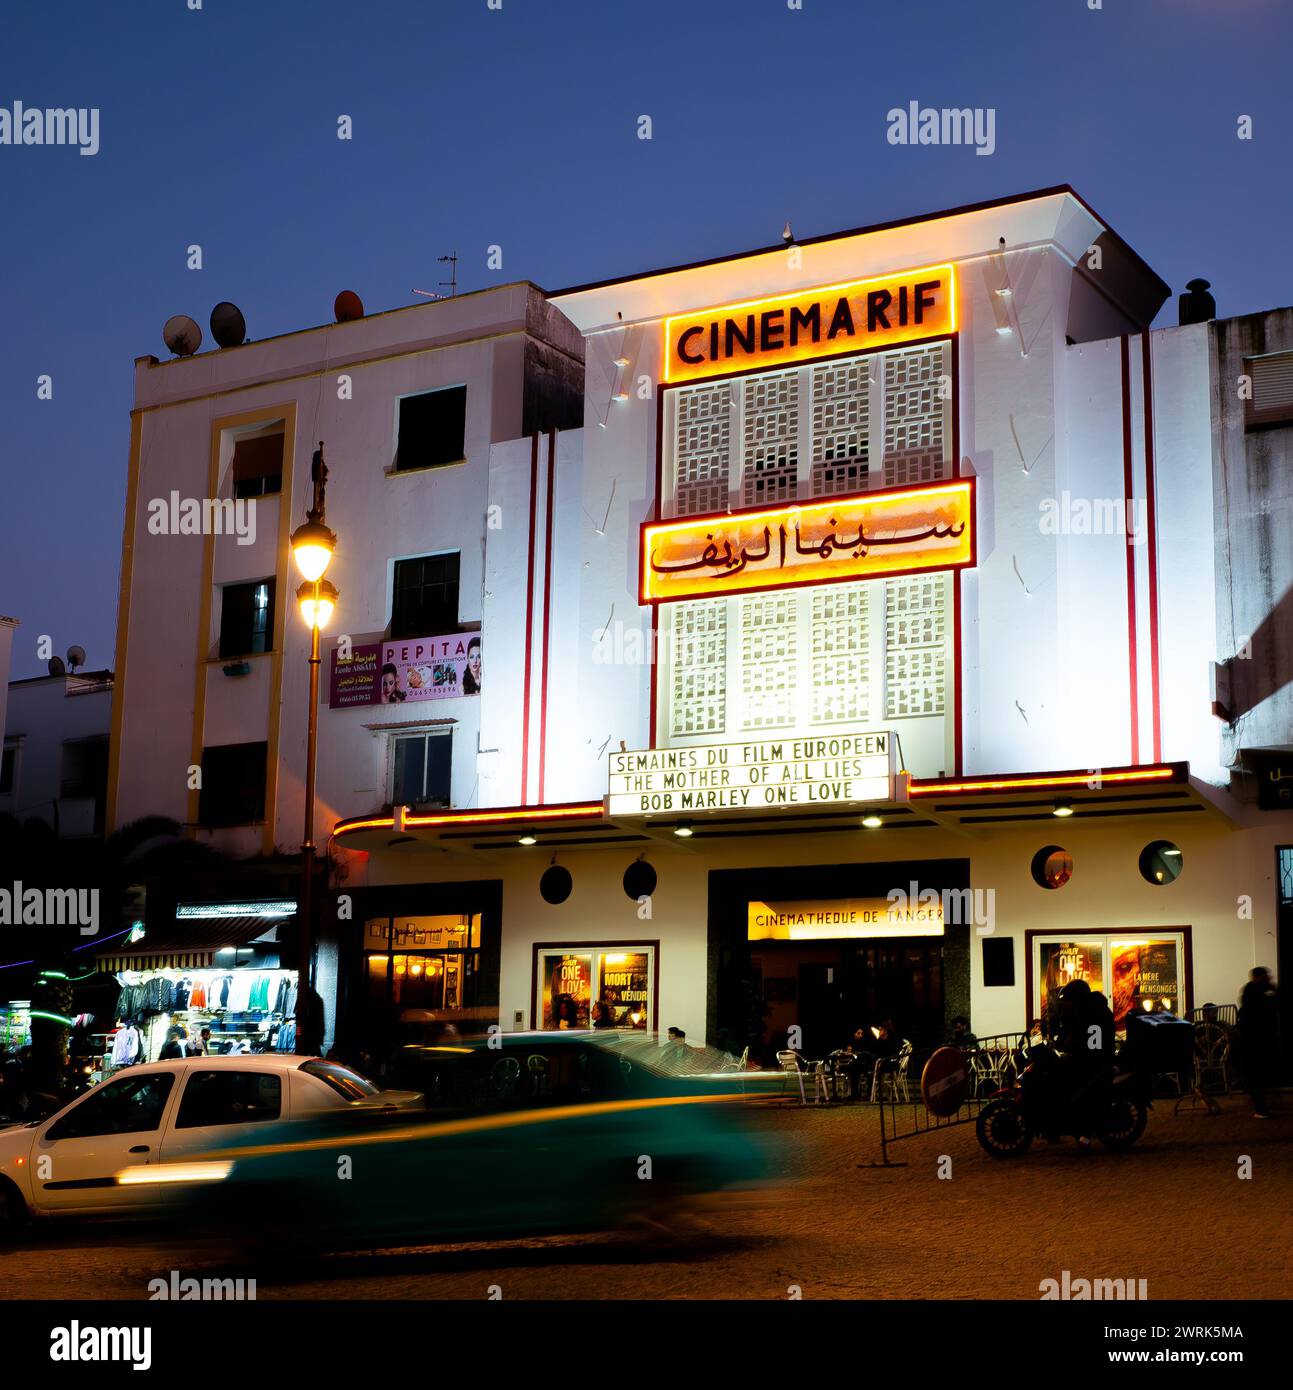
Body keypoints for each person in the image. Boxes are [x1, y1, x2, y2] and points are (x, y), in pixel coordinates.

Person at [1238, 966, 1278, 1119]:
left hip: (1258, 1039)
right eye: (1265, 976)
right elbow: (1265, 1008)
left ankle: (1261, 1106)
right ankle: (1260, 1108)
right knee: (1257, 1073)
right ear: (1257, 977)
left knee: (1259, 1074)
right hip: (1254, 1041)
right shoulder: (1253, 993)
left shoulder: (1253, 991)